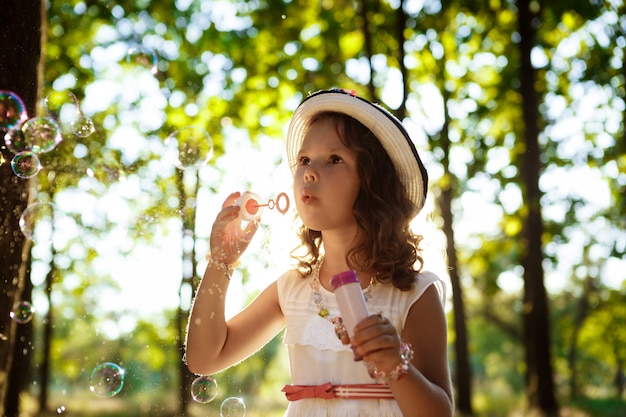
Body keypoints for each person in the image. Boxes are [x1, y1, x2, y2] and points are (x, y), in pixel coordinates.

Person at [185, 88, 454, 417]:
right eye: (304, 160)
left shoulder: (412, 293)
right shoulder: (293, 289)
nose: (309, 172)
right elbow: (205, 358)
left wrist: (396, 365)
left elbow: (439, 412)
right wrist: (221, 262)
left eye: (334, 159)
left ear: (374, 185)